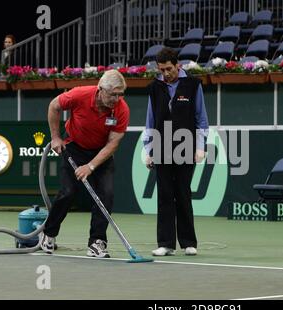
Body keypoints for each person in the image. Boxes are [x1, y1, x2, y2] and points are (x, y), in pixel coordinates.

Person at [40, 69, 130, 258]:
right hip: (74, 146)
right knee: (68, 192)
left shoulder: (121, 109)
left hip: (100, 154)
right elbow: (54, 106)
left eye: (120, 94)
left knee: (106, 194)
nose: (117, 99)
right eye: (113, 94)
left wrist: (90, 166)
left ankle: (97, 242)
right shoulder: (80, 94)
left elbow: (112, 144)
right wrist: (55, 137)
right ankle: (48, 234)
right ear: (100, 90)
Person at [143, 47, 209, 256]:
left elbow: (201, 118)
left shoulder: (193, 85)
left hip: (186, 146)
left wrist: (200, 147)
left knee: (182, 193)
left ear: (177, 65)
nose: (166, 73)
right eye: (162, 70)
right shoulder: (155, 87)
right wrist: (148, 149)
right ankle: (166, 243)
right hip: (161, 147)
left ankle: (189, 242)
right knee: (164, 195)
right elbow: (150, 121)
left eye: (169, 69)